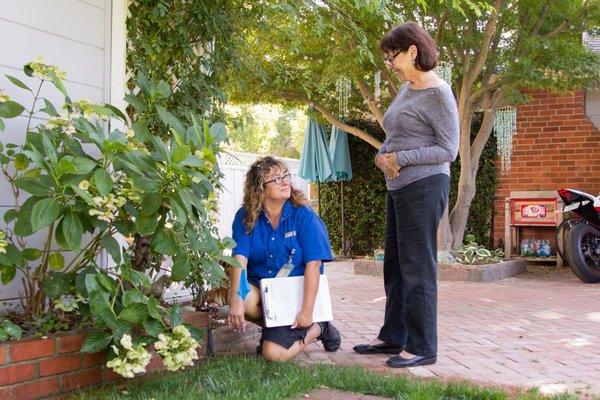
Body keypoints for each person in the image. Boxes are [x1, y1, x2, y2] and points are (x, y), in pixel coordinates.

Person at [353, 22, 459, 368]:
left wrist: (401, 159)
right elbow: (395, 134)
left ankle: (423, 345)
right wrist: (381, 156)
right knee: (395, 267)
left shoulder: (438, 93)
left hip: (425, 186)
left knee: (417, 268)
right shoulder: (407, 90)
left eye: (392, 57)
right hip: (399, 187)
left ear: (412, 51)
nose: (390, 65)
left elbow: (449, 149)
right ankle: (392, 335)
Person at [227, 156, 341, 362]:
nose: (286, 181)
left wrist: (306, 312)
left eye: (286, 176)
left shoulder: (304, 215)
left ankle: (319, 326)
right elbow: (239, 259)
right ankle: (277, 330)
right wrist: (235, 299)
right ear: (260, 188)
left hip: (295, 292)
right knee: (241, 298)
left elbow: (313, 266)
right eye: (277, 179)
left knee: (273, 355)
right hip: (263, 289)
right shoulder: (245, 216)